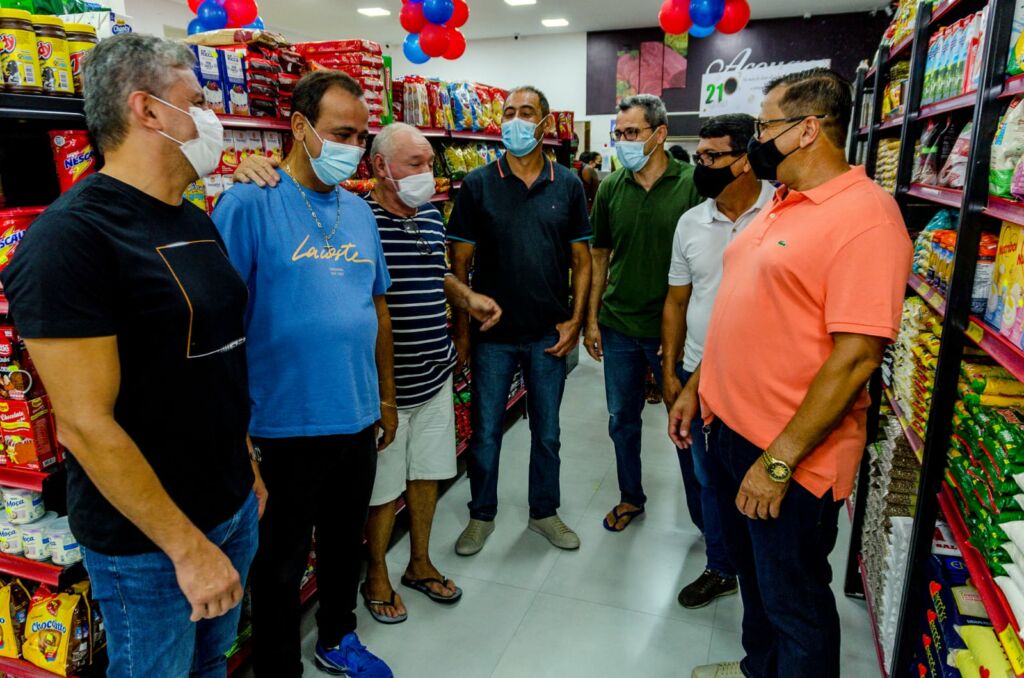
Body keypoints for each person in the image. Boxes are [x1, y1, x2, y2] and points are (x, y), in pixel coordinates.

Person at [0, 34, 264, 676]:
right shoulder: (70, 240)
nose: (213, 119)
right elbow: (87, 425)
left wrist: (247, 467)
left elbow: (217, 361)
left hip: (230, 506)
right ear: (147, 111)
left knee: (211, 665)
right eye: (196, 101)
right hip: (149, 544)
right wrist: (187, 549)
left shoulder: (189, 215)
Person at [672, 69, 912, 678]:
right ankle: (760, 669)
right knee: (754, 582)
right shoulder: (780, 203)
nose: (756, 139)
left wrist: (779, 462)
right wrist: (697, 388)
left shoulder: (867, 217)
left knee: (795, 601)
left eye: (765, 126)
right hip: (726, 429)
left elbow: (856, 356)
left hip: (787, 451)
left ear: (807, 130)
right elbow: (744, 310)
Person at [234, 121, 505, 624]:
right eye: (416, 164)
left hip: (435, 372)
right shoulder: (356, 218)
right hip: (381, 386)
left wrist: (464, 300)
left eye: (429, 163)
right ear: (380, 168)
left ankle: (420, 563)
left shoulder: (429, 216)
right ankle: (376, 574)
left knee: (428, 474)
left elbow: (434, 270)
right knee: (379, 492)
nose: (428, 173)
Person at [212, 70, 394, 678]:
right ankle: (277, 664)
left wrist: (385, 402)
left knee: (345, 545)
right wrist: (237, 433)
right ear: (298, 127)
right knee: (281, 562)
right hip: (281, 423)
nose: (355, 148)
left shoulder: (359, 210)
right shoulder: (247, 202)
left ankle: (338, 635)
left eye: (362, 136)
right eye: (342, 133)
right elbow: (219, 324)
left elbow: (375, 307)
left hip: (355, 413)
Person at [448, 85, 593, 556]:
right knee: (485, 432)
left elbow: (583, 262)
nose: (514, 121)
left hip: (549, 334)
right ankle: (481, 515)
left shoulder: (568, 184)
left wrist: (574, 321)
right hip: (493, 337)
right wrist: (464, 334)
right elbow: (460, 267)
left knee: (546, 432)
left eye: (525, 112)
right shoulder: (478, 185)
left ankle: (544, 512)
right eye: (508, 112)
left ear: (545, 123)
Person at [661, 114, 774, 610]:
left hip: (761, 378)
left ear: (744, 160)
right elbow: (677, 301)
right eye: (699, 156)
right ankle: (721, 564)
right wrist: (670, 369)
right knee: (707, 476)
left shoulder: (781, 213)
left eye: (711, 157)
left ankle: (760, 568)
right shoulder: (691, 221)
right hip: (697, 373)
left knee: (755, 479)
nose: (700, 166)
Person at [585, 94, 702, 533]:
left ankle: (703, 514)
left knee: (684, 421)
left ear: (659, 134)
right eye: (619, 134)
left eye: (632, 133)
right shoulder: (612, 188)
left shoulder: (693, 184)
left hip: (677, 331)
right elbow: (600, 256)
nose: (623, 141)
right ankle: (631, 496)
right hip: (619, 326)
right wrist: (592, 318)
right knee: (622, 420)